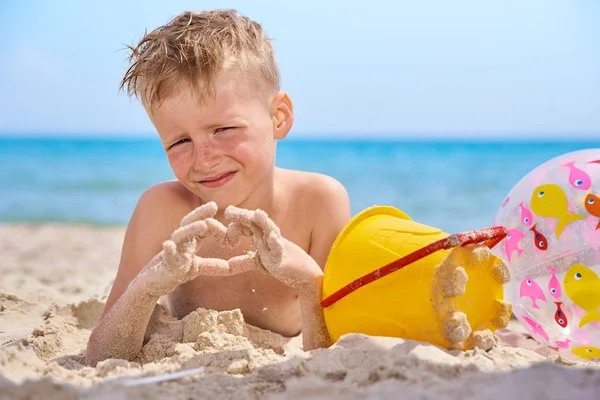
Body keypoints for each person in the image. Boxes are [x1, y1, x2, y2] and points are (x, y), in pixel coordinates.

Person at [85, 9, 351, 366]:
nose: (204, 159)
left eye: (223, 130)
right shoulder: (162, 209)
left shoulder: (319, 202)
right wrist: (146, 289)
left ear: (278, 117)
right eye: (180, 141)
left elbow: (334, 353)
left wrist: (308, 282)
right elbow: (103, 354)